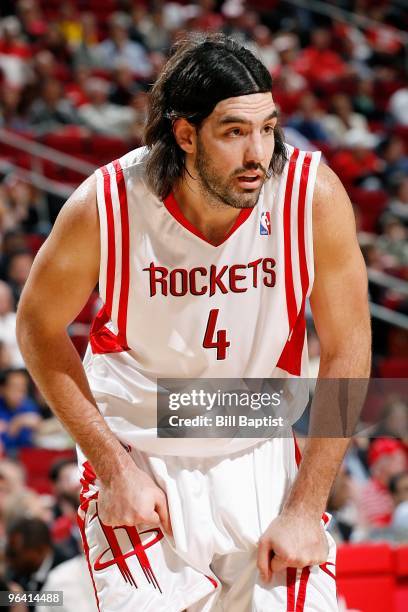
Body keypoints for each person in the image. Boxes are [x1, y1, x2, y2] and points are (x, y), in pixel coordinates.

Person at [16, 34, 371, 611]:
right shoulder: (106, 204)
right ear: (185, 134)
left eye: (268, 128)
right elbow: (36, 327)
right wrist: (111, 469)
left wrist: (307, 506)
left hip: (255, 435)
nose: (258, 152)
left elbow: (349, 345)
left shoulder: (310, 195)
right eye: (234, 132)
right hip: (139, 445)